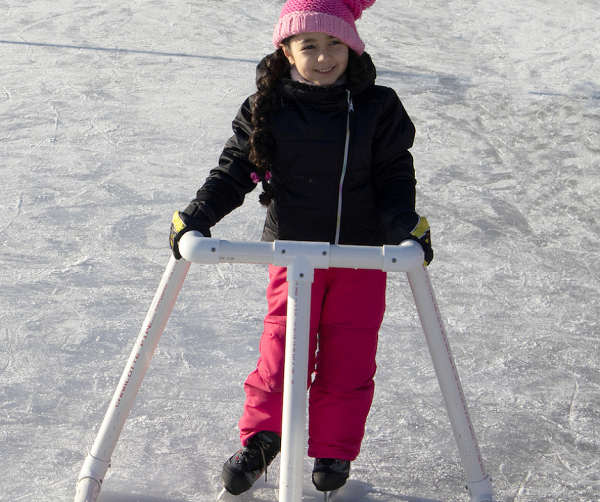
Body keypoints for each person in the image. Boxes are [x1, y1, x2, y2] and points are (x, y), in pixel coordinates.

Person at [169, 0, 433, 495]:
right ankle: (263, 439)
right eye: (309, 45)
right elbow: (235, 171)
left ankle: (333, 449)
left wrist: (405, 225)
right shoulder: (266, 109)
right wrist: (197, 216)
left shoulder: (378, 108)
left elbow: (393, 174)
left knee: (350, 358)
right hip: (292, 257)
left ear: (353, 48)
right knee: (280, 352)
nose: (324, 56)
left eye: (336, 44)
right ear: (286, 51)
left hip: (361, 259)